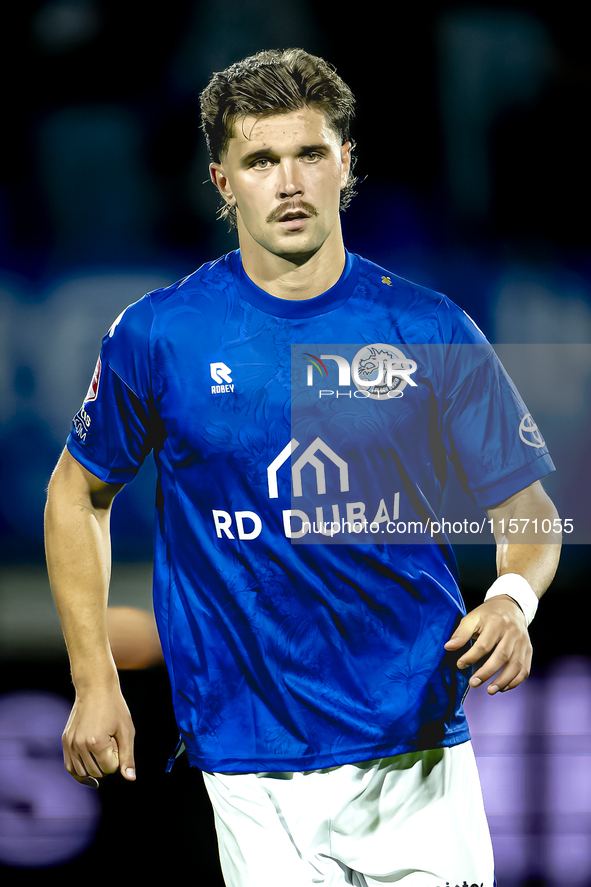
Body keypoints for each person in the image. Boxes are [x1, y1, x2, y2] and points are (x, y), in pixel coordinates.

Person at [45, 48, 561, 886]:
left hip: (414, 753)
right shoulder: (159, 335)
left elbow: (526, 513)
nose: (288, 182)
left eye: (309, 154)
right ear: (221, 179)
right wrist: (92, 676)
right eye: (259, 161)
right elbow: (76, 494)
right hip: (249, 762)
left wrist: (511, 599)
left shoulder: (427, 327)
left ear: (345, 162)